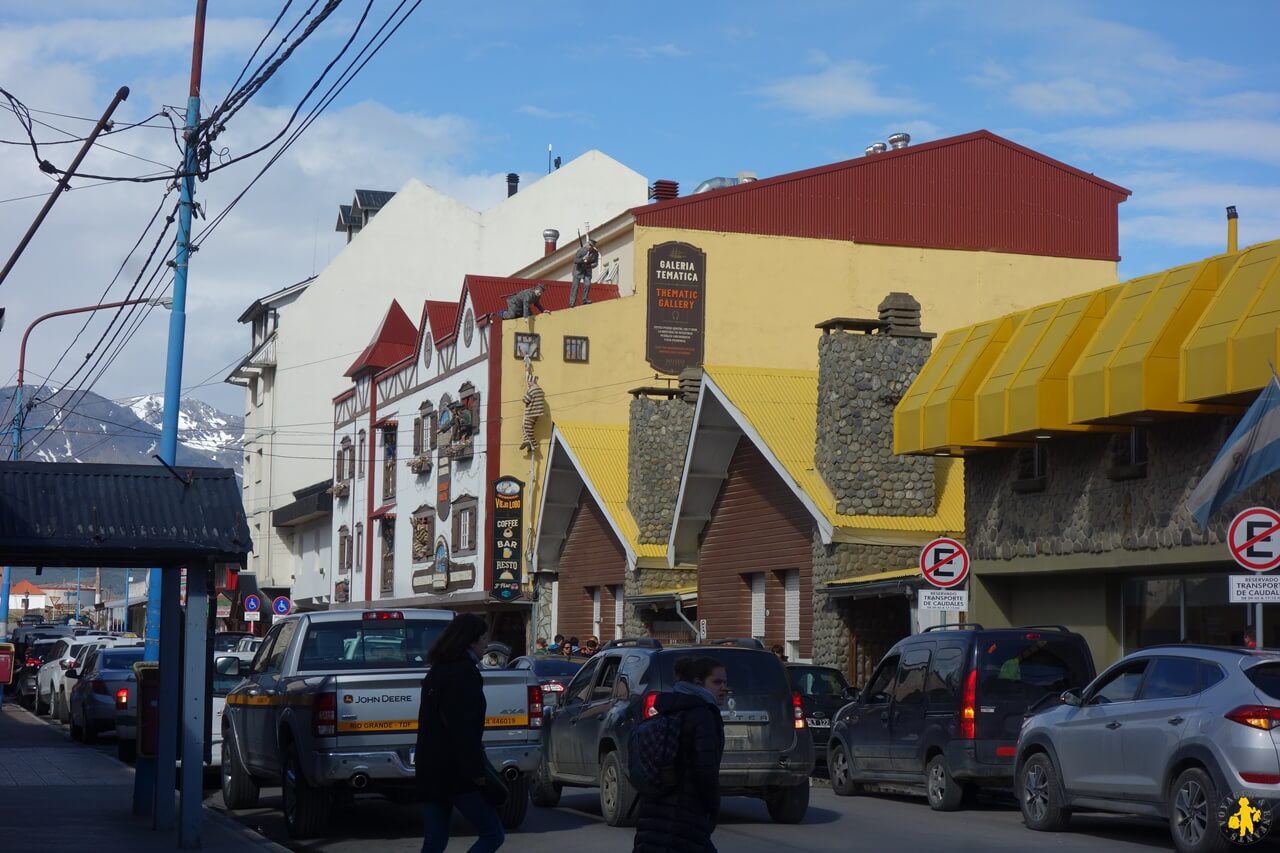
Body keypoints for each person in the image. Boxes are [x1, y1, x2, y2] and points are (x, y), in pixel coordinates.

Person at [416, 613, 505, 853]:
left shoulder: (437, 670)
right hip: (456, 772)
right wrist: (475, 772)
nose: (486, 644)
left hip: (431, 769)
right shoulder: (463, 673)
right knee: (493, 834)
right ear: (470, 641)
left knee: (435, 841)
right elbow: (464, 728)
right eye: (483, 638)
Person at [633, 655, 727, 853]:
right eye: (717, 682)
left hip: (655, 809)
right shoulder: (703, 715)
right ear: (698, 682)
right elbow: (705, 769)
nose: (723, 688)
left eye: (725, 682)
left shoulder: (671, 707)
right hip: (685, 812)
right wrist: (712, 807)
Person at [569, 238, 599, 306]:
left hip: (587, 270)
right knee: (575, 286)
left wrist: (590, 265)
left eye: (592, 246)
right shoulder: (580, 250)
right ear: (587, 244)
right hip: (578, 270)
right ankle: (572, 302)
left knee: (587, 284)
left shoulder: (595, 253)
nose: (590, 247)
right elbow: (575, 261)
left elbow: (596, 263)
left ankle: (585, 299)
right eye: (589, 245)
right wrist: (583, 259)